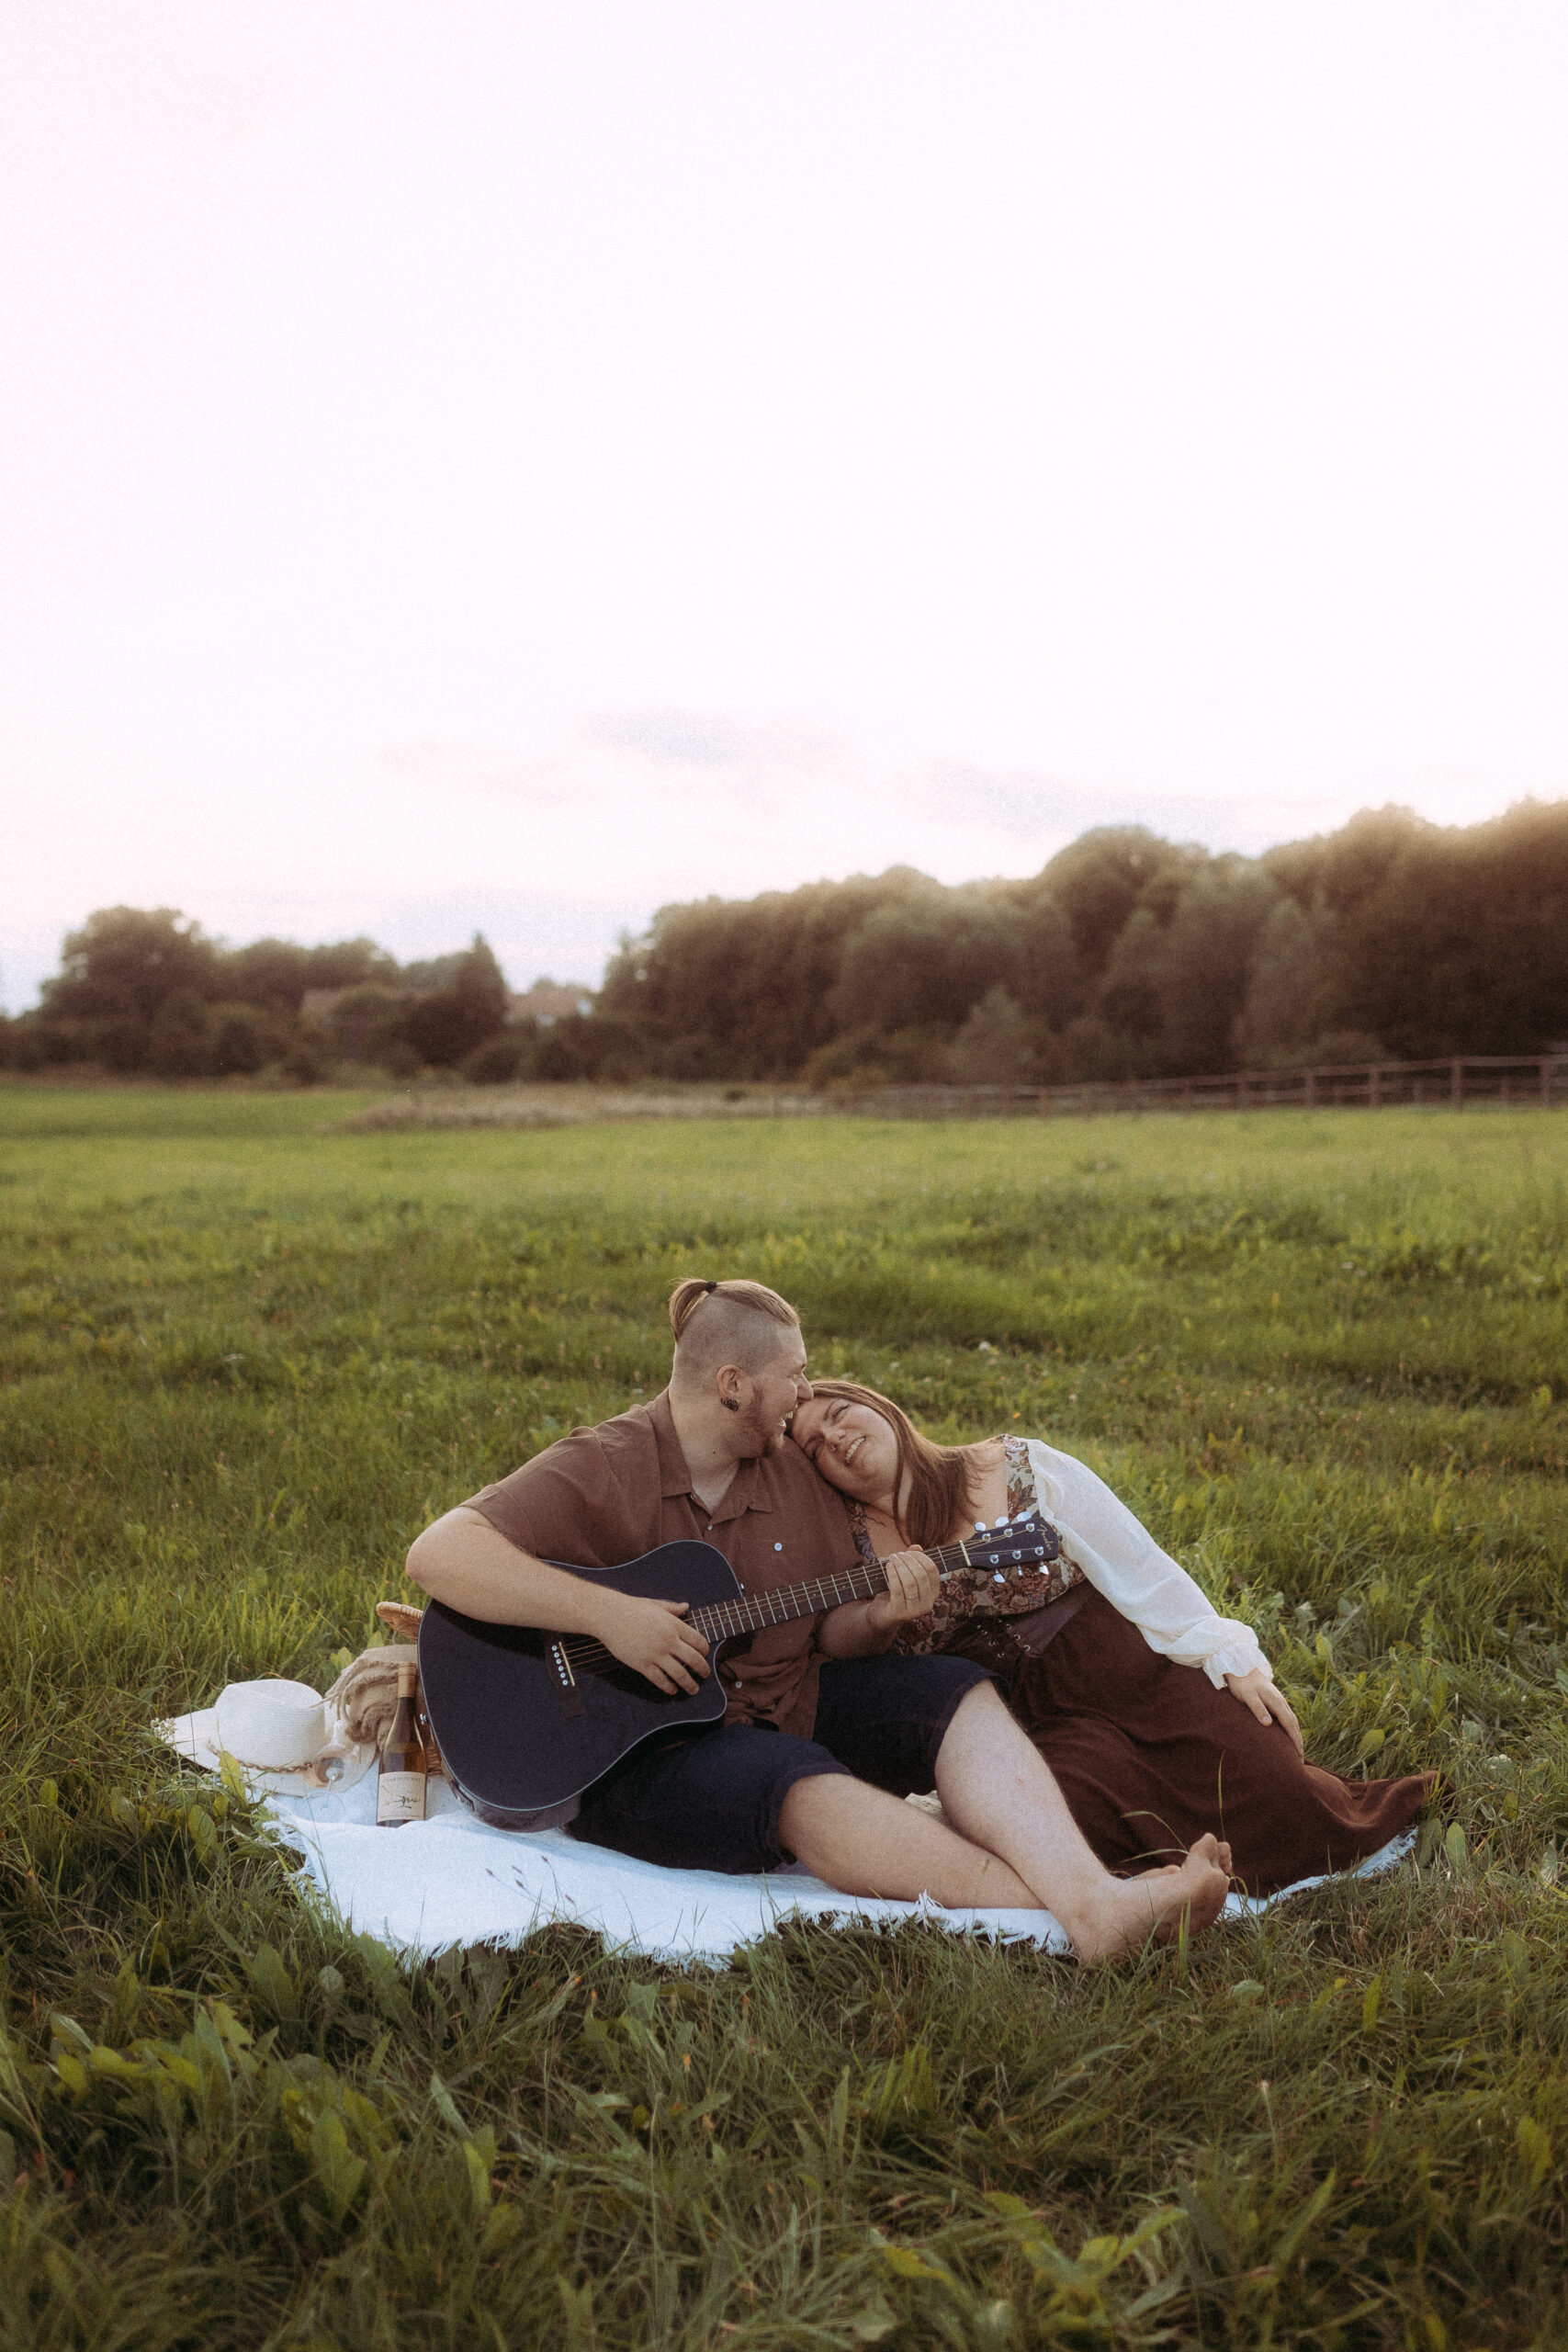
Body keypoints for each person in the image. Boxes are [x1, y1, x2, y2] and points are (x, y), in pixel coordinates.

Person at [406, 1277, 1232, 1962]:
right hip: (633, 1756)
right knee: (793, 1784)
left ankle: (1090, 1902)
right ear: (733, 1385)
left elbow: (829, 1633)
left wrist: (875, 1616)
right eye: (794, 1375)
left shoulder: (791, 1471)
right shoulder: (606, 1464)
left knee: (949, 1687)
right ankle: (1089, 1907)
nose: (807, 1393)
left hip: (789, 1703)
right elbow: (440, 1553)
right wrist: (605, 1615)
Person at [789, 1381, 1438, 1898]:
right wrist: (879, 1617)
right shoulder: (842, 1545)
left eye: (842, 1413)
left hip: (1136, 1676)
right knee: (1047, 1829)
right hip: (1030, 1724)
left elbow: (1143, 1567)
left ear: (883, 1409)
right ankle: (1144, 1895)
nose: (836, 1439)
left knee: (1280, 1793)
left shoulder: (1014, 1467)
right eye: (813, 1444)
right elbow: (830, 1641)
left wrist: (1232, 1661)